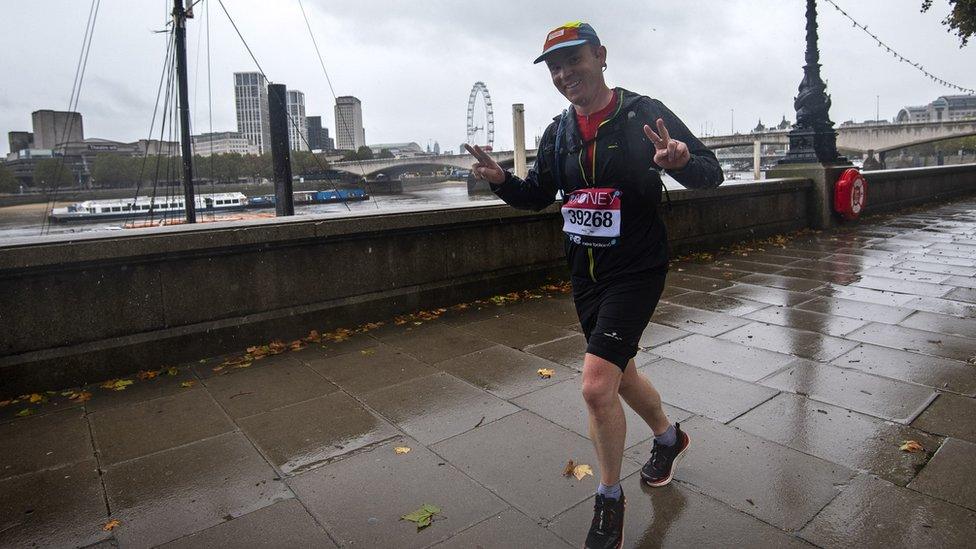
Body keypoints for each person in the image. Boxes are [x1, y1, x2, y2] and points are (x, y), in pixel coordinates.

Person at [465, 21, 723, 549]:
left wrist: (679, 162)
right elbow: (538, 193)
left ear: (601, 56)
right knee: (620, 372)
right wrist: (502, 184)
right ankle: (669, 439)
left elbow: (710, 171)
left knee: (595, 385)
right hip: (586, 274)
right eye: (554, 67)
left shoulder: (641, 113)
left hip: (637, 269)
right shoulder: (558, 131)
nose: (564, 74)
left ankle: (608, 500)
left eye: (573, 61)